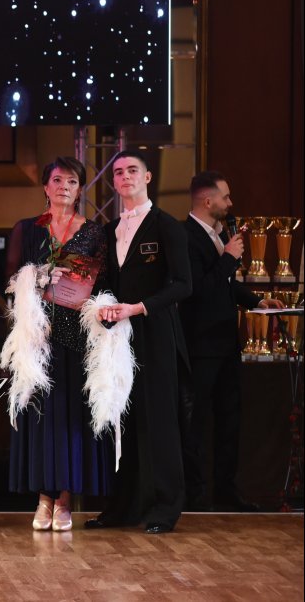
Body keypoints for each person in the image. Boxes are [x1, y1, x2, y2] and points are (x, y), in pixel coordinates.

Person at [4, 157, 115, 531]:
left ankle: (65, 500)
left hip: (79, 337)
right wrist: (39, 275)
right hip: (38, 338)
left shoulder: (95, 232)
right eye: (57, 180)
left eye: (71, 181)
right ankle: (43, 499)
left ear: (80, 189)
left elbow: (104, 285)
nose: (64, 187)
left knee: (72, 419)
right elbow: (8, 282)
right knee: (41, 420)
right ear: (46, 187)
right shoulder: (27, 229)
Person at [85, 151, 191, 534]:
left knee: (159, 422)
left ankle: (165, 508)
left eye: (133, 170)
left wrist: (139, 307)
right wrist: (102, 305)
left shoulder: (167, 226)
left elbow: (183, 285)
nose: (125, 176)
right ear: (113, 182)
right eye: (118, 172)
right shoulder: (110, 228)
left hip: (156, 334)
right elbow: (105, 283)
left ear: (147, 177)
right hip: (120, 338)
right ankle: (123, 507)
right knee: (123, 418)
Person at [179, 171, 283, 512]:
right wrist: (227, 258)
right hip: (201, 345)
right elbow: (197, 290)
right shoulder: (185, 237)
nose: (230, 203)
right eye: (225, 197)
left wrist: (256, 301)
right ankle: (194, 495)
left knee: (230, 419)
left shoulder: (218, 234)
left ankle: (226, 490)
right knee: (195, 423)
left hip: (226, 343)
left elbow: (225, 285)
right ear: (208, 201)